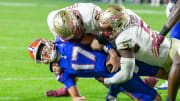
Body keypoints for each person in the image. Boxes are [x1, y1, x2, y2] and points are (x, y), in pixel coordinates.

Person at [90, 4, 180, 101]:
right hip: (163, 54)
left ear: (119, 25)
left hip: (170, 53)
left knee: (117, 68)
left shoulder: (124, 38)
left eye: (108, 29)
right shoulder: (127, 13)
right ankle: (117, 92)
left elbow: (126, 75)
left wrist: (107, 80)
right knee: (114, 65)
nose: (104, 32)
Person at [28, 38, 162, 101]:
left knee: (159, 70)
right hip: (114, 73)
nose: (45, 53)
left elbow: (95, 37)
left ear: (47, 42)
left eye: (43, 48)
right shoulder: (60, 70)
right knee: (152, 98)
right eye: (41, 54)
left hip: (120, 55)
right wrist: (76, 97)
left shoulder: (64, 38)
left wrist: (111, 51)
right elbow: (70, 85)